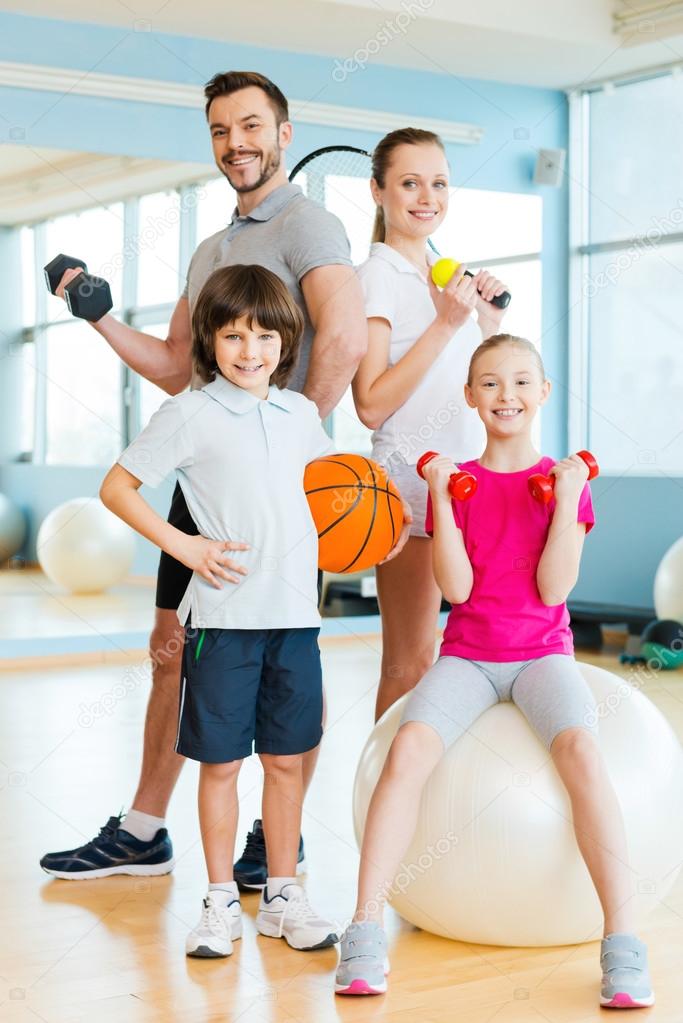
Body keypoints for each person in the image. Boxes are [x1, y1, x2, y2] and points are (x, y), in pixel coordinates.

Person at [40, 70, 367, 886]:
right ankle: (145, 829)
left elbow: (346, 338)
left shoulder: (308, 224)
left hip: (279, 488)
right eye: (220, 130)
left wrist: (293, 448)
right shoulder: (210, 248)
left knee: (285, 652)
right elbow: (180, 370)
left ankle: (273, 841)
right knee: (170, 650)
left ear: (284, 134)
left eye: (251, 126)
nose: (236, 144)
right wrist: (98, 314)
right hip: (205, 476)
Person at [335, 334, 654, 1010]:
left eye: (518, 382)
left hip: (541, 655)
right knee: (408, 748)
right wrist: (443, 501)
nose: (503, 393)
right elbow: (455, 590)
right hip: (469, 657)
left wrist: (565, 499)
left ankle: (622, 941)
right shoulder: (459, 486)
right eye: (487, 382)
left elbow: (551, 589)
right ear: (470, 397)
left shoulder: (563, 487)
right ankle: (363, 928)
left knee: (581, 751)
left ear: (540, 394)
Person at [100, 263, 341, 956]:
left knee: (289, 761)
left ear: (285, 341)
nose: (250, 350)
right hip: (223, 626)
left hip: (295, 622)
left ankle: (283, 893)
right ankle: (215, 902)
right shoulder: (191, 411)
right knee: (222, 766)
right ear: (210, 339)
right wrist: (186, 545)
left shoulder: (301, 415)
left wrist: (370, 535)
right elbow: (118, 487)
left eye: (265, 336)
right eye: (234, 335)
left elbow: (331, 499)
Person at [352, 127, 509, 721]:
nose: (427, 197)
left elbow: (469, 382)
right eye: (410, 182)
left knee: (471, 659)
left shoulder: (449, 278)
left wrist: (486, 325)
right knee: (410, 661)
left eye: (439, 183)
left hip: (475, 484)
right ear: (378, 191)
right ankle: (384, 808)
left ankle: (439, 800)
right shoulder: (374, 278)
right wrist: (447, 324)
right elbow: (369, 403)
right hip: (410, 490)